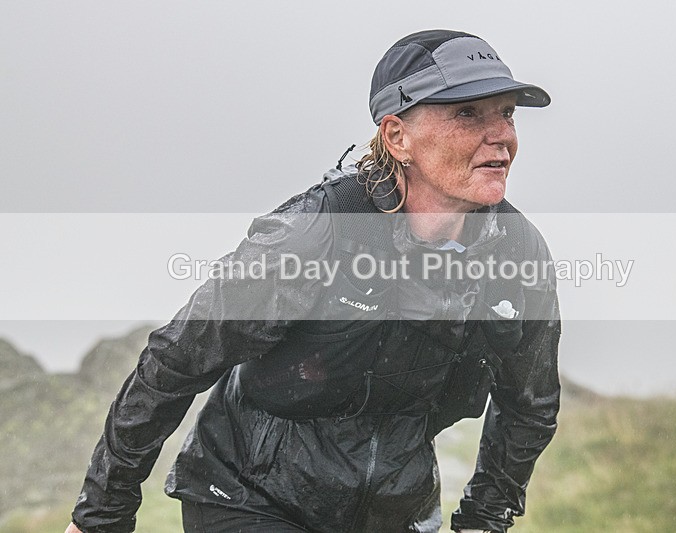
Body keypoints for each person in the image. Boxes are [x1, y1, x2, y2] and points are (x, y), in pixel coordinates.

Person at [66, 29, 561, 533]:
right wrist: (101, 515)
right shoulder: (316, 233)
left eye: (506, 114)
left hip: (395, 511)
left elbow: (530, 407)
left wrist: (483, 520)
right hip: (249, 497)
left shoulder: (517, 253)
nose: (501, 136)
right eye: (468, 114)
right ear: (397, 137)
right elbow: (177, 360)